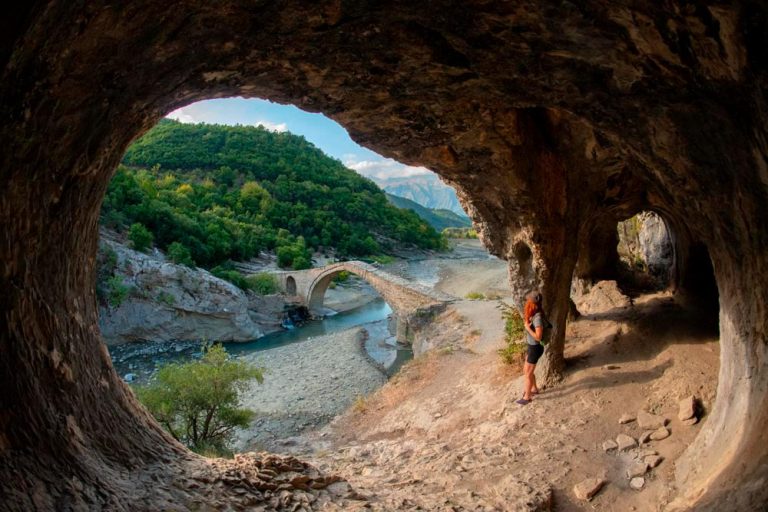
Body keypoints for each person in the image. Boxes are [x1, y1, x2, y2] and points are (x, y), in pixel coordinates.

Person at [516, 290, 544, 405]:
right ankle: (534, 389)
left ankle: (527, 397)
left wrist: (527, 328)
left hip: (535, 348)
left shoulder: (538, 318)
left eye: (529, 301)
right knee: (527, 371)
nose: (527, 302)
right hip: (531, 347)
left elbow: (538, 337)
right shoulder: (534, 314)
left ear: (532, 304)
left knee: (528, 373)